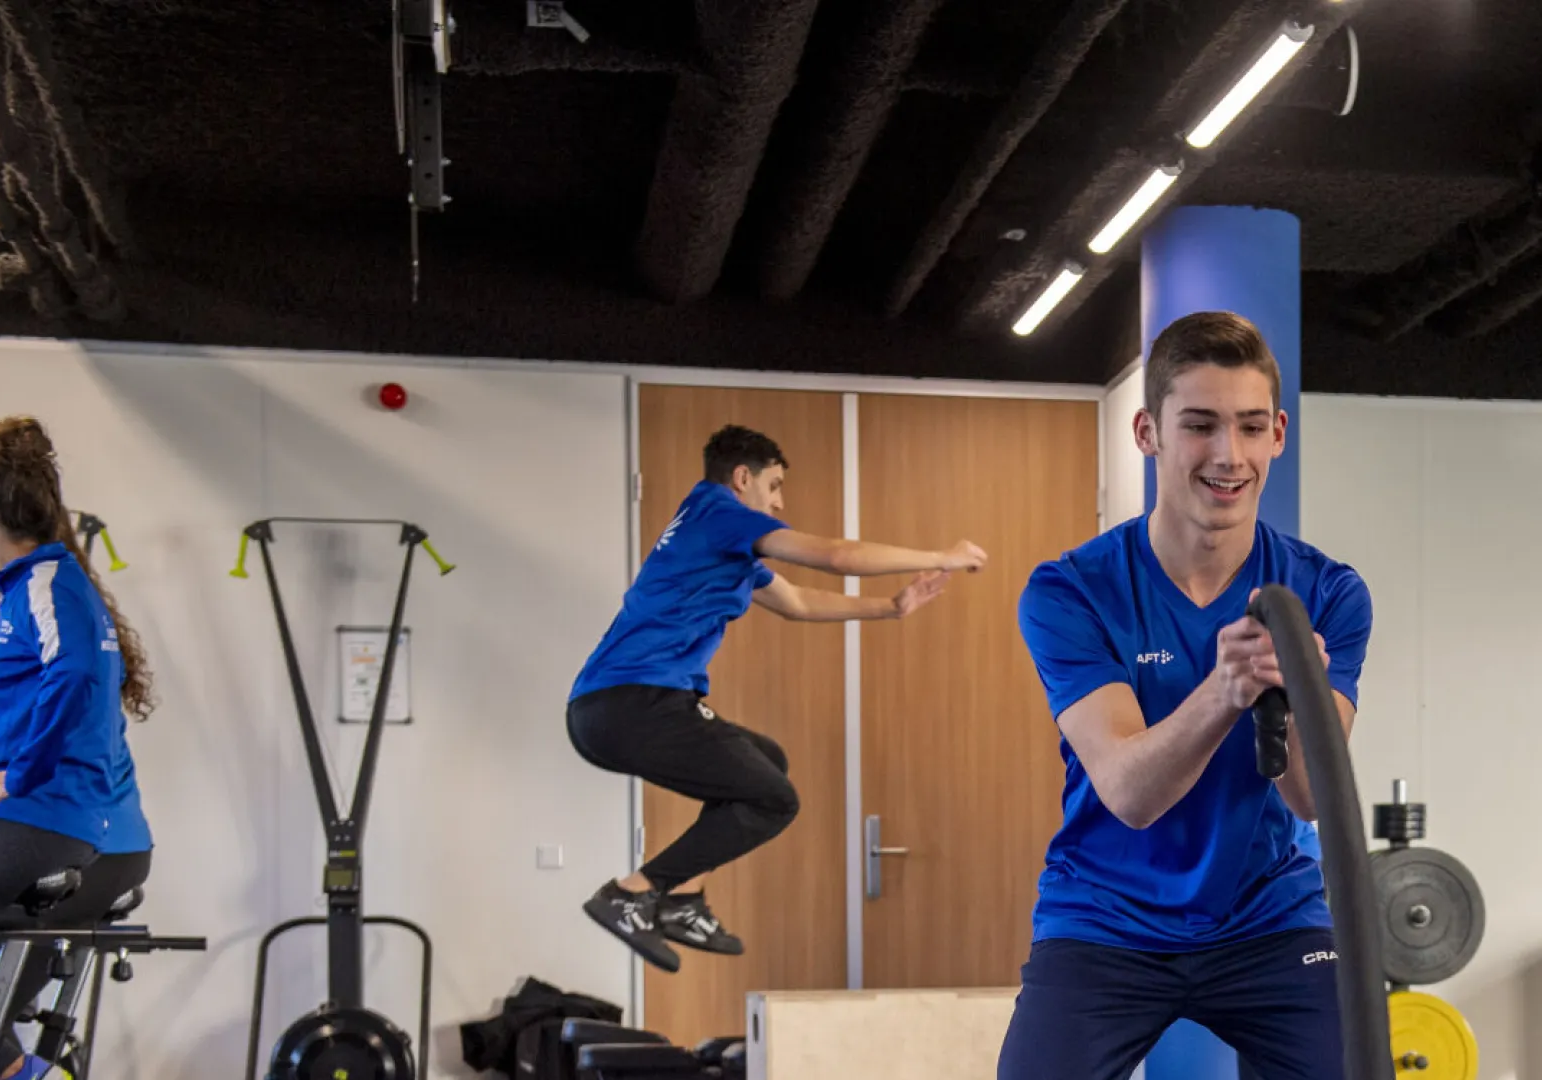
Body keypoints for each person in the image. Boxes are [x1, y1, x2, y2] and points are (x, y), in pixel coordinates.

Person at [1000, 311, 1372, 1080]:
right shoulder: (1071, 591)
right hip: (1105, 918)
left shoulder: (1329, 593)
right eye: (1200, 426)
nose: (1228, 455)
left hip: (1269, 917)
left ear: (1278, 434)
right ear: (1149, 432)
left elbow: (1312, 798)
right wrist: (1225, 690)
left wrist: (1295, 691)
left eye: (1250, 426)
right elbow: (1130, 795)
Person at [570, 424, 987, 972]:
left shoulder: (715, 536)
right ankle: (632, 894)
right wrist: (941, 555)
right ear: (742, 478)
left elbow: (798, 603)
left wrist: (890, 607)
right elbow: (836, 556)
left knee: (766, 762)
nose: (779, 502)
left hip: (617, 707)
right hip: (631, 702)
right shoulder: (720, 513)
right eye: (774, 486)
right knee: (774, 800)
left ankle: (681, 898)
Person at [0, 417, 148, 1080]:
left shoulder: (46, 586)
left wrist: (22, 770)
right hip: (35, 820)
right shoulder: (34, 593)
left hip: (36, 820)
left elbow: (76, 676)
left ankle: (23, 1072)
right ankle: (13, 1069)